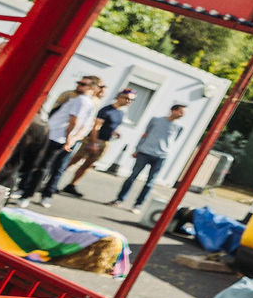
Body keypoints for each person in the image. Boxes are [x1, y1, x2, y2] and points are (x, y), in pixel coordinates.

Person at [24, 75, 103, 204]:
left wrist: (69, 139)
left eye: (83, 84)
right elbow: (84, 125)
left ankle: (29, 194)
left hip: (57, 137)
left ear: (92, 88)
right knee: (50, 167)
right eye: (79, 83)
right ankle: (40, 194)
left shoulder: (82, 100)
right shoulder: (79, 99)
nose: (79, 85)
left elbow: (75, 121)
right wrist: (72, 138)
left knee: (44, 166)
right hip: (59, 137)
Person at [60, 87, 135, 195]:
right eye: (127, 98)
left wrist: (115, 132)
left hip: (105, 142)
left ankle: (72, 185)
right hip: (93, 140)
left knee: (87, 165)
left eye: (131, 100)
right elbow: (96, 127)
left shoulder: (121, 113)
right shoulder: (106, 110)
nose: (129, 101)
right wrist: (93, 143)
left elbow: (113, 125)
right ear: (119, 97)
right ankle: (53, 180)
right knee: (74, 161)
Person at [112, 102, 187, 209]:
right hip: (144, 152)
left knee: (150, 182)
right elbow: (145, 135)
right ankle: (119, 199)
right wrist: (137, 149)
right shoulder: (156, 120)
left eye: (183, 113)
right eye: (180, 112)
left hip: (160, 157)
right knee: (132, 177)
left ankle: (138, 205)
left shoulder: (179, 127)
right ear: (173, 110)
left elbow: (173, 140)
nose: (181, 115)